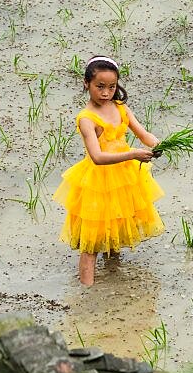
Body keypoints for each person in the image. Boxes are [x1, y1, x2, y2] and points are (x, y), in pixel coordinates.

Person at [52, 56, 164, 286]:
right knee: (91, 243)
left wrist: (160, 145)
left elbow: (144, 135)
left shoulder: (120, 107)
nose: (106, 93)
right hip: (97, 180)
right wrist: (134, 154)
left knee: (117, 227)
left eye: (111, 87)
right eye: (99, 87)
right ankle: (88, 291)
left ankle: (112, 277)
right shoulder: (86, 119)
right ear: (86, 84)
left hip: (124, 177)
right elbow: (98, 157)